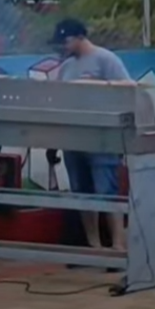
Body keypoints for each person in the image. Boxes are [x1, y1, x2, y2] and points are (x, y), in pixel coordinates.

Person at [51, 19, 134, 249]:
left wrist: (101, 84)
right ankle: (94, 246)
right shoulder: (66, 67)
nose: (63, 46)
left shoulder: (106, 59)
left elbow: (131, 87)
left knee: (107, 192)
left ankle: (118, 246)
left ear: (79, 37)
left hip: (102, 137)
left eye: (66, 40)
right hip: (74, 137)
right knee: (82, 193)